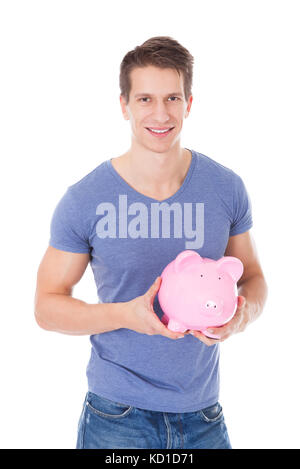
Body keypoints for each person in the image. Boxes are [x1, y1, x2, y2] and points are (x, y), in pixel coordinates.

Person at [34, 36, 268, 449]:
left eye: (172, 98)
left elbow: (252, 278)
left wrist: (240, 317)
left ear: (189, 104)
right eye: (145, 99)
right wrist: (126, 315)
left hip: (204, 415)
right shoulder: (85, 199)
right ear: (123, 105)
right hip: (116, 418)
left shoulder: (226, 188)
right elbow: (47, 308)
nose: (160, 113)